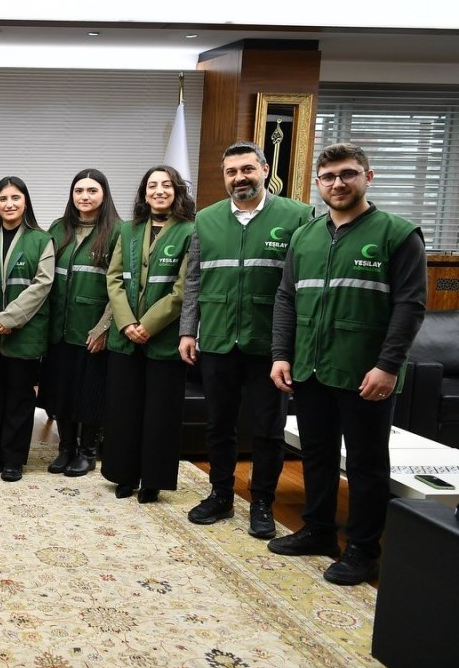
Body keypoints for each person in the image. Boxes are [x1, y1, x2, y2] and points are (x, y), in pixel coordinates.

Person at [269, 142, 426, 586]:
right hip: (311, 368)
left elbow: (410, 305)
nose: (338, 183)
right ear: (317, 184)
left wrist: (388, 366)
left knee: (365, 463)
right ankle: (319, 530)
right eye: (329, 176)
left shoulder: (398, 233)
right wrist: (282, 355)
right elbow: (286, 298)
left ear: (367, 177)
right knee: (315, 455)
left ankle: (363, 549)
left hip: (366, 374)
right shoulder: (305, 235)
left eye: (348, 174)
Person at [178, 142, 314, 539]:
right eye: (231, 171)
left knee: (268, 429)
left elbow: (300, 284)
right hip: (218, 339)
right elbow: (194, 280)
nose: (240, 177)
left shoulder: (297, 216)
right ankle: (220, 494)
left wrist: (290, 345)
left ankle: (261, 503)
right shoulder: (205, 219)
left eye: (247, 169)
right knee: (219, 424)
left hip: (270, 346)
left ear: (265, 170)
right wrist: (189, 329)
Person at [101, 165, 195, 503]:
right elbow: (113, 279)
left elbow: (184, 288)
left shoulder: (189, 231)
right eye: (152, 186)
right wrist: (127, 323)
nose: (159, 191)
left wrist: (148, 325)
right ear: (143, 193)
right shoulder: (127, 230)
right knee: (123, 409)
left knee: (161, 413)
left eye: (166, 185)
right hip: (124, 338)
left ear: (176, 191)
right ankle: (123, 475)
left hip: (165, 339)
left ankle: (153, 479)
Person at [0, 176, 55, 482]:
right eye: (3, 198)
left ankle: (14, 459)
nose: (9, 204)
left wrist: (10, 318)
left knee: (20, 397)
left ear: (25, 202)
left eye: (16, 198)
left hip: (25, 331)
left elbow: (43, 283)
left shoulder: (41, 239)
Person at [39, 169, 121, 477]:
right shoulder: (58, 228)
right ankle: (66, 449)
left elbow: (120, 286)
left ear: (103, 195)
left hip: (92, 328)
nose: (84, 196)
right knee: (62, 391)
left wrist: (103, 328)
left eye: (92, 191)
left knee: (90, 393)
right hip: (58, 327)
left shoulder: (117, 232)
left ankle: (87, 452)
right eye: (79, 191)